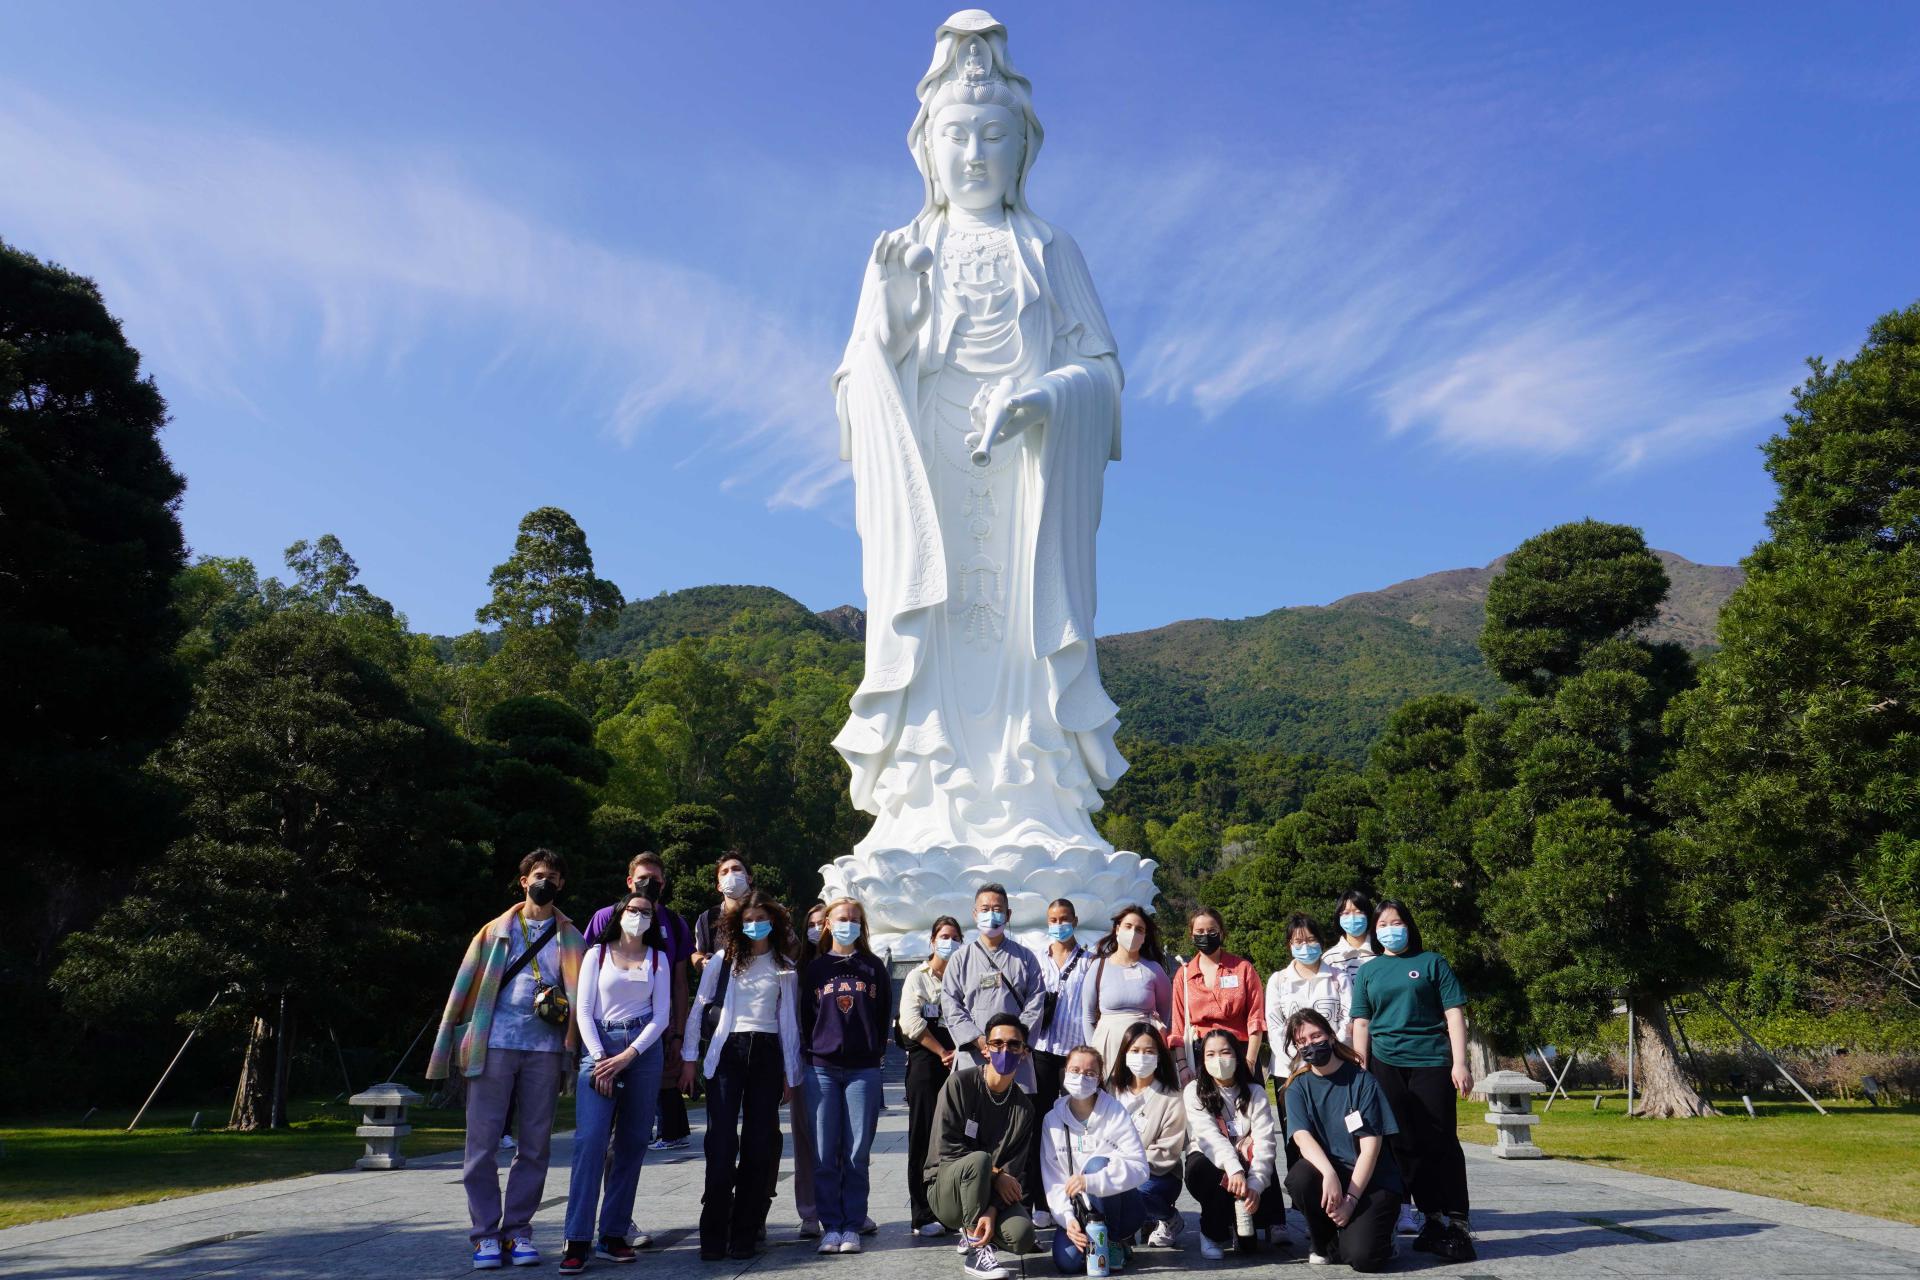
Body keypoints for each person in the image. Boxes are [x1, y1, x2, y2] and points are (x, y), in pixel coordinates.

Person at [428, 849, 585, 1271]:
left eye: (552, 875)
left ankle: (518, 1231)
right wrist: (451, 1037)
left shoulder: (571, 936)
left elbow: (582, 996)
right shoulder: (494, 930)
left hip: (546, 1049)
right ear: (523, 881)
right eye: (538, 874)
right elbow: (463, 987)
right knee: (481, 1143)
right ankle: (484, 1236)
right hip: (493, 1044)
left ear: (562, 884)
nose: (545, 881)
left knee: (535, 1144)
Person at [679, 890, 803, 1261]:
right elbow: (698, 1008)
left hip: (766, 1053)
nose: (754, 925)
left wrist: (790, 1073)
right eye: (747, 920)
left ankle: (745, 1234)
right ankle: (714, 1235)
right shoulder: (723, 960)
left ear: (774, 922)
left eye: (760, 918)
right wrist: (689, 1059)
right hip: (728, 1051)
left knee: (758, 1146)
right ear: (737, 924)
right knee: (720, 1145)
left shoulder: (784, 966)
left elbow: (789, 1023)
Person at [1349, 900, 1474, 1263]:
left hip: (1432, 1061)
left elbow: (1454, 1013)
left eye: (1397, 921)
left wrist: (1460, 1062)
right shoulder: (1370, 971)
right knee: (1403, 1144)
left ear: (1409, 925)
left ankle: (1457, 1219)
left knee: (1440, 1139)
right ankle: (1430, 1216)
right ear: (1375, 930)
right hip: (1386, 1064)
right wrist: (1361, 1070)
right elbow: (1361, 1022)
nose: (1390, 928)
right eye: (1383, 923)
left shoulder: (1432, 962)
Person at [560, 889, 672, 1273]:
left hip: (641, 1050)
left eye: (646, 913)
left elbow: (661, 1016)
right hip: (601, 1047)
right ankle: (576, 1239)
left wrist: (627, 1057)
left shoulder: (658, 958)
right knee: (590, 1141)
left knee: (632, 1142)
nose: (639, 916)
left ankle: (612, 1233)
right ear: (620, 913)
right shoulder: (598, 954)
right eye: (633, 910)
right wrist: (600, 1058)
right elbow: (584, 1010)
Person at [587, 853, 694, 1173]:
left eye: (656, 880)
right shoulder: (606, 917)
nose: (649, 885)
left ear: (664, 884)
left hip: (651, 1038)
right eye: (642, 878)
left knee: (633, 1134)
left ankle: (619, 1215)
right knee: (596, 1134)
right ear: (629, 881)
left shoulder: (674, 924)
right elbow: (586, 978)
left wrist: (677, 1034)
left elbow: (679, 984)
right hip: (603, 1035)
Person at [801, 897, 894, 1255]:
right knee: (825, 1152)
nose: (848, 923)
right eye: (842, 918)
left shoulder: (872, 968)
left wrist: (872, 1050)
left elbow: (883, 1011)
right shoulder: (816, 969)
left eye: (855, 919)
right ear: (827, 924)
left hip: (863, 1069)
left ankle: (853, 1223)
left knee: (857, 1151)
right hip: (822, 1067)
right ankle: (831, 1225)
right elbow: (805, 1016)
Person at [1280, 1009, 1401, 1271]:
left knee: (1362, 1258)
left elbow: (1371, 1148)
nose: (1310, 1044)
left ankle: (1382, 1234)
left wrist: (1351, 1201)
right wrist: (1329, 1174)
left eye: (1316, 1036)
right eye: (1302, 1041)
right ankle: (1323, 1239)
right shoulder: (1298, 1086)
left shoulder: (1362, 1081)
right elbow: (1302, 1136)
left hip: (1369, 1180)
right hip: (1332, 1176)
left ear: (1331, 1037)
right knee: (1299, 1178)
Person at [927, 1013, 1042, 1280]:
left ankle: (980, 1233)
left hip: (990, 1193)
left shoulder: (1024, 1108)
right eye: (997, 1043)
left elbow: (1015, 1171)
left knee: (1022, 1235)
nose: (1005, 1050)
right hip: (947, 1189)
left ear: (1024, 1052)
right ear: (986, 1049)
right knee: (979, 1160)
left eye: (1014, 1045)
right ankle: (976, 1251)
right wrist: (996, 1173)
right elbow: (946, 1148)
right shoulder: (960, 1084)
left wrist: (992, 1211)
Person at [1040, 1046, 1150, 1274]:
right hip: (1081, 1211)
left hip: (1122, 1208)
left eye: (1090, 1073)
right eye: (1075, 1070)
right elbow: (1052, 1179)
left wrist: (1091, 1182)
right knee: (1068, 1262)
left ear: (1099, 1077)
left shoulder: (1115, 1111)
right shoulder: (1051, 1120)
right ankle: (1108, 1244)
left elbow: (1140, 1168)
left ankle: (1114, 1239)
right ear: (1065, 1072)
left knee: (1096, 1165)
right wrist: (1067, 1220)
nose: (1081, 1077)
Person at [1182, 1028, 1279, 1260]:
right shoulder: (1194, 1091)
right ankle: (1211, 1233)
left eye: (1225, 1052)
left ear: (1237, 1054)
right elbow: (1208, 1136)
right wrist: (1233, 1168)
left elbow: (1266, 1141)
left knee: (1249, 1245)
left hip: (1247, 1163)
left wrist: (1255, 1184)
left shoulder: (1255, 1093)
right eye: (1211, 1054)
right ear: (1202, 1060)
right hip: (1211, 1161)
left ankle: (1244, 1220)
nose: (1219, 1060)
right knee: (1207, 1170)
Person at [940, 883, 1046, 1085]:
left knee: (1016, 1112)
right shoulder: (960, 958)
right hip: (973, 1054)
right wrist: (979, 1041)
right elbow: (950, 1003)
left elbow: (1036, 1000)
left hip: (1015, 1053)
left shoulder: (1025, 957)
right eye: (985, 909)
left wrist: (1016, 1041)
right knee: (973, 1111)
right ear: (974, 914)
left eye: (997, 910)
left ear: (1008, 915)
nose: (991, 914)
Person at [901, 916, 965, 1236]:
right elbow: (910, 1023)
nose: (948, 942)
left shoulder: (963, 977)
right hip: (927, 1061)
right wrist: (941, 1051)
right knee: (923, 1135)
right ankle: (922, 1213)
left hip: (958, 1061)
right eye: (943, 936)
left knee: (954, 1137)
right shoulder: (917, 977)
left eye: (954, 937)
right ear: (932, 940)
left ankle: (950, 1207)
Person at [1106, 1021, 1188, 1250]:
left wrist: (1127, 1165)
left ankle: (1169, 1218)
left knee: (1136, 1191)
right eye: (1135, 1050)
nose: (1141, 1057)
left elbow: (1167, 1151)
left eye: (1149, 1051)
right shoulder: (1111, 1091)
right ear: (1124, 1054)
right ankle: (1122, 1231)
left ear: (1160, 1056)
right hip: (1114, 1167)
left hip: (1158, 1174)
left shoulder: (1172, 1097)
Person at [1170, 907, 1264, 1084]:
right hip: (1202, 1055)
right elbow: (1178, 1026)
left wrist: (1250, 1061)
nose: (1206, 935)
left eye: (1212, 931)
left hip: (1240, 1053)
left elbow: (1256, 1019)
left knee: (1247, 1108)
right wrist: (1182, 1065)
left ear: (1221, 933)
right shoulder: (1184, 974)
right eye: (1200, 931)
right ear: (1192, 936)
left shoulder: (1243, 968)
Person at [1078, 905, 1172, 1071]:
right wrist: (1092, 1051)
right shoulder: (1098, 966)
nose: (1133, 933)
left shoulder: (1154, 969)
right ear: (1117, 929)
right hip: (1106, 1046)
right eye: (1128, 926)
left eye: (1139, 929)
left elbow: (1166, 1015)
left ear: (1145, 936)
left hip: (1144, 1049)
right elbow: (1087, 1015)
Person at [1265, 914, 1351, 1073]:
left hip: (1335, 1062)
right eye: (1298, 941)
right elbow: (1274, 1026)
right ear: (1289, 945)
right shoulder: (1278, 980)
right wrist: (1299, 1058)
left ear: (1320, 941)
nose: (1305, 946)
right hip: (1290, 1068)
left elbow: (1348, 1018)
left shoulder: (1339, 976)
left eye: (1311, 940)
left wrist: (1331, 1052)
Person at [1031, 898, 1090, 1114]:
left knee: (1075, 1109)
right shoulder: (1036, 959)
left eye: (1064, 919)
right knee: (1040, 1111)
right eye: (1053, 920)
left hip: (1074, 1049)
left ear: (1075, 921)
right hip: (1041, 1047)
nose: (1058, 925)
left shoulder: (1090, 962)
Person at [690, 851, 754, 972]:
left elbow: (793, 949)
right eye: (724, 872)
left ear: (749, 878)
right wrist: (702, 963)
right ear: (719, 886)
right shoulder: (707, 918)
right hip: (722, 988)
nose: (731, 875)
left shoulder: (771, 911)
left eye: (736, 869)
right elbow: (697, 953)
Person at [1323, 890, 1378, 989]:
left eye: (1359, 912)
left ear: (1368, 915)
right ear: (1338, 917)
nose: (1352, 917)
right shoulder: (1329, 958)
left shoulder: (1381, 952)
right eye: (1346, 913)